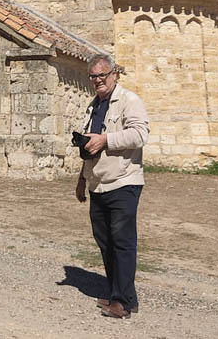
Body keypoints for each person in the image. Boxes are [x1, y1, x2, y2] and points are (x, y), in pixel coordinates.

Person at [74, 53, 149, 319]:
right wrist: (82, 179)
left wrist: (106, 139)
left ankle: (121, 303)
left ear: (113, 74)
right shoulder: (93, 106)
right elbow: (89, 146)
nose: (97, 80)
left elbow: (141, 134)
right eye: (93, 76)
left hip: (123, 182)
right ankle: (124, 296)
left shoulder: (129, 101)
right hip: (98, 184)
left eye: (102, 75)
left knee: (123, 243)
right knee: (105, 243)